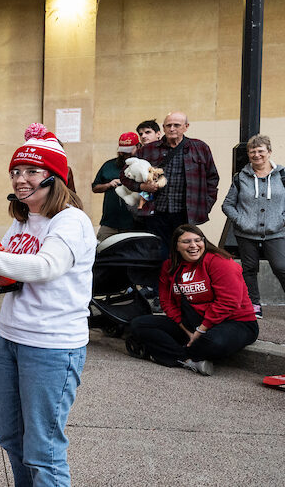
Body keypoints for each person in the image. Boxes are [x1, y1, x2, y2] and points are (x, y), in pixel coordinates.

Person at [0, 131, 95, 487]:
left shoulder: (71, 221)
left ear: (54, 178)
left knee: (43, 451)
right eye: (15, 171)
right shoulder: (24, 219)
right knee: (12, 439)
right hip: (10, 337)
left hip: (52, 346)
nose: (19, 179)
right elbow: (9, 272)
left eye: (30, 171)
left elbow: (44, 267)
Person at [127, 225, 259, 375]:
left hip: (234, 322)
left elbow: (228, 302)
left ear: (204, 242)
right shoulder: (169, 266)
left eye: (198, 240)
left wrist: (201, 330)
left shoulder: (220, 262)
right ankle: (188, 360)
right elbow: (166, 302)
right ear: (176, 246)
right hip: (191, 323)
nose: (193, 245)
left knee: (213, 342)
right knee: (139, 324)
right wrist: (188, 331)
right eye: (186, 241)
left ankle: (170, 354)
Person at [121, 111, 220, 257]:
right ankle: (163, 280)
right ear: (163, 128)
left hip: (186, 213)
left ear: (186, 127)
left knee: (186, 254)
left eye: (177, 125)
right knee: (159, 255)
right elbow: (124, 175)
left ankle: (182, 280)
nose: (172, 128)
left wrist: (206, 204)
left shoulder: (200, 148)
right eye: (168, 125)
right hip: (155, 213)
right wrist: (142, 187)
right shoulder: (148, 149)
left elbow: (212, 179)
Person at [221, 134, 285, 319]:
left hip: (276, 232)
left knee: (281, 266)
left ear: (269, 152)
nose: (257, 155)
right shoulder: (241, 177)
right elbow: (227, 205)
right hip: (245, 233)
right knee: (249, 268)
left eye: (260, 151)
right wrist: (241, 221)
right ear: (248, 154)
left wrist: (281, 221)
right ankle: (253, 305)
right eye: (252, 152)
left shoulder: (282, 175)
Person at [92, 132, 140, 242]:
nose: (125, 154)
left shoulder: (141, 166)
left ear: (138, 147)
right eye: (123, 151)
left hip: (132, 223)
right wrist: (108, 185)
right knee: (100, 250)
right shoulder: (108, 165)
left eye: (129, 151)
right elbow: (95, 188)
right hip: (109, 222)